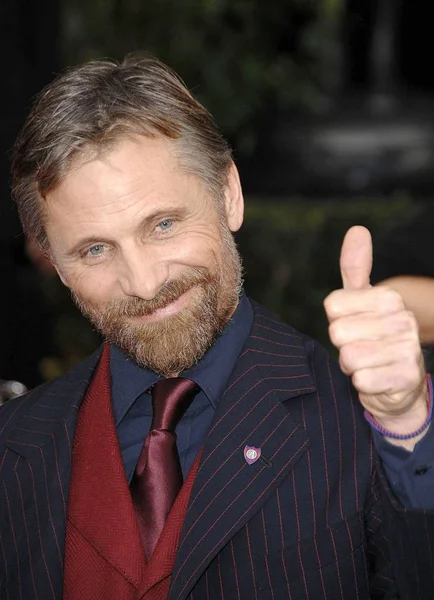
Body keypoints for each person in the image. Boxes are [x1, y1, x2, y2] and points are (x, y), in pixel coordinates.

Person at [1, 56, 433, 600]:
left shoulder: (361, 424)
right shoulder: (12, 445)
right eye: (94, 250)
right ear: (57, 266)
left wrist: (407, 428)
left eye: (163, 224)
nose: (143, 280)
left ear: (229, 194)